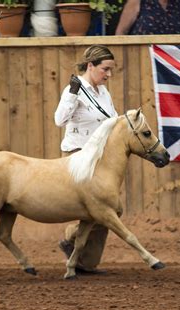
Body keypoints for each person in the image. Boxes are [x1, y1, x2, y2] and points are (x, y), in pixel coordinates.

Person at [54, 45, 118, 274]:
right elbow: (59, 120)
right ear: (90, 66)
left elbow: (113, 120)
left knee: (109, 210)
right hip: (78, 156)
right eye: (105, 69)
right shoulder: (73, 90)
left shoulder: (104, 92)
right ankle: (76, 246)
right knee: (105, 209)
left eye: (111, 70)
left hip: (99, 158)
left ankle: (82, 257)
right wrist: (72, 93)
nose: (109, 75)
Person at [115, 0, 180, 35]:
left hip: (173, 61)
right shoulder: (137, 1)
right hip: (142, 59)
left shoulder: (179, 3)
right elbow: (121, 32)